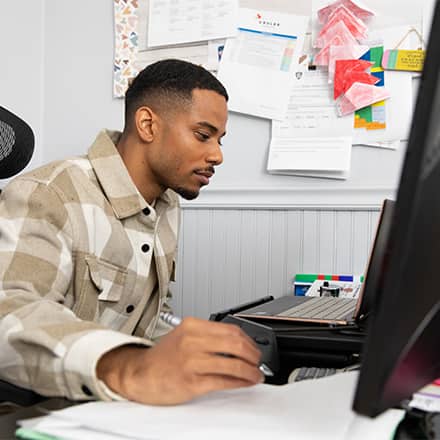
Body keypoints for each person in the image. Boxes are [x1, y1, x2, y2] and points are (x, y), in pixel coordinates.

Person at [0, 59, 263, 405]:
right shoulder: (50, 193)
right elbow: (10, 311)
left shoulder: (167, 205)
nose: (217, 155)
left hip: (114, 408)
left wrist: (201, 355)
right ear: (147, 124)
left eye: (220, 140)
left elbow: (149, 319)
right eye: (203, 135)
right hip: (43, 408)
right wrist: (128, 365)